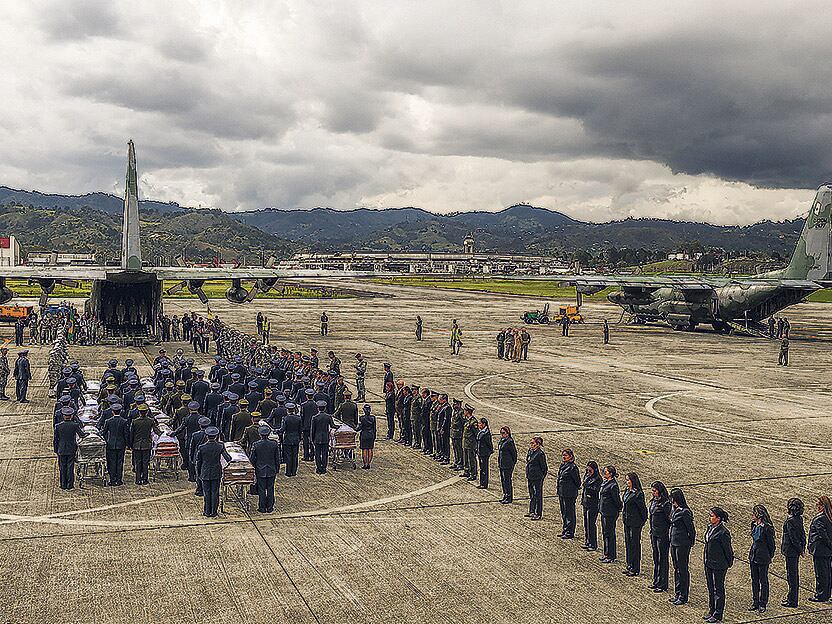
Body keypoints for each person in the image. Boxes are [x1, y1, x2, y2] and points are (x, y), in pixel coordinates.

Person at [703, 507, 734, 623]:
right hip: (709, 562)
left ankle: (718, 613)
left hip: (719, 564)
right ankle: (711, 610)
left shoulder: (723, 532)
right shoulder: (710, 527)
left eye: (712, 516)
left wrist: (728, 562)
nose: (710, 517)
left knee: (718, 589)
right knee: (711, 588)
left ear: (718, 518)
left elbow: (728, 550)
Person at [195, 426, 231, 517]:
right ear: (216, 436)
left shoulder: (201, 447)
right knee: (215, 492)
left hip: (205, 472)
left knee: (207, 493)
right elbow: (228, 458)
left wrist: (199, 473)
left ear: (207, 436)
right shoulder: (220, 446)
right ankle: (214, 511)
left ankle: (207, 511)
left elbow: (198, 462)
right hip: (216, 472)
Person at [669, 487, 696, 606]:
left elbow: (691, 529)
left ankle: (683, 595)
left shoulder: (685, 511)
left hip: (682, 543)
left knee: (682, 569)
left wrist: (690, 542)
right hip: (674, 542)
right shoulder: (675, 509)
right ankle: (678, 592)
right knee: (676, 568)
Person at [748, 504, 777, 613]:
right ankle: (755, 601)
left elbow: (771, 545)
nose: (752, 515)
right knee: (754, 580)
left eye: (754, 513)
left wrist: (769, 555)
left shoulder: (767, 528)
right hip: (754, 555)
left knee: (763, 580)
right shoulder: (754, 525)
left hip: (763, 556)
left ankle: (763, 602)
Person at [781, 497, 806, 608]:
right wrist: (802, 548)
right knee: (793, 575)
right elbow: (802, 534)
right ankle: (792, 598)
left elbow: (793, 538)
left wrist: (800, 550)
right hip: (795, 551)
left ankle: (792, 600)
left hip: (791, 551)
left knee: (792, 576)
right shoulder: (799, 519)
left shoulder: (790, 521)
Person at [249, 425, 281, 513]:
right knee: (270, 489)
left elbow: (252, 459)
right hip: (271, 469)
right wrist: (277, 469)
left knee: (261, 489)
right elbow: (277, 459)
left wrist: (254, 467)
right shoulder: (274, 444)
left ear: (260, 434)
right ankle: (270, 507)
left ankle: (262, 507)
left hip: (260, 470)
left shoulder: (256, 445)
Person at [622, 472, 649, 576]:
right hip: (627, 520)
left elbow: (642, 509)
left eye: (628, 480)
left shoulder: (638, 493)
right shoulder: (627, 491)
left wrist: (642, 521)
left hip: (635, 522)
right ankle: (629, 565)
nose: (627, 482)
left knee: (635, 544)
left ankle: (635, 567)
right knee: (628, 543)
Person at [53, 408, 87, 489]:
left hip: (61, 448)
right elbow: (82, 435)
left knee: (62, 467)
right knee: (70, 466)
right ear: (71, 416)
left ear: (63, 416)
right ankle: (70, 484)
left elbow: (55, 439)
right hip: (71, 448)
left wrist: (56, 449)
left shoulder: (58, 426)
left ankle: (63, 484)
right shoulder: (74, 425)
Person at [648, 481, 672, 593]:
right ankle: (656, 580)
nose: (653, 493)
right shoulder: (654, 501)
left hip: (662, 534)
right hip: (654, 533)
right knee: (656, 558)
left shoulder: (666, 504)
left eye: (655, 491)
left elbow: (670, 520)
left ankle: (663, 583)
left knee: (662, 558)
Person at [129, 404, 161, 485]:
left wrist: (130, 444)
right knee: (145, 462)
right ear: (147, 412)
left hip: (136, 444)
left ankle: (138, 479)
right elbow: (156, 431)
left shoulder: (135, 422)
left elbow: (131, 434)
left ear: (139, 412)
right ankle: (145, 479)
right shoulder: (150, 421)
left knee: (138, 462)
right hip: (147, 444)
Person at [808, 495, 832, 603]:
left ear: (822, 506)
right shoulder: (829, 517)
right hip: (827, 551)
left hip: (820, 550)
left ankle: (821, 595)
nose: (816, 506)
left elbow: (823, 536)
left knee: (821, 573)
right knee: (827, 572)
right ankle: (826, 593)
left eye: (818, 504)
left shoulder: (819, 519)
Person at [101, 403, 129, 486]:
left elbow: (104, 432)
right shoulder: (124, 421)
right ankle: (119, 479)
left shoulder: (108, 421)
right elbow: (126, 434)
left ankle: (112, 479)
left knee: (112, 462)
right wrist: (127, 444)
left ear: (112, 412)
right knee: (120, 462)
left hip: (111, 444)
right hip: (121, 444)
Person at [599, 465, 622, 563]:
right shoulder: (606, 482)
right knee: (605, 533)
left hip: (610, 512)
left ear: (611, 474)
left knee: (610, 534)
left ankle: (611, 555)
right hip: (604, 511)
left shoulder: (613, 485)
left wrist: (618, 509)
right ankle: (606, 553)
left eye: (606, 472)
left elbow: (616, 500)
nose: (604, 473)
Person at [557, 448, 581, 539]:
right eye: (563, 455)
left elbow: (577, 481)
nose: (564, 457)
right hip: (562, 492)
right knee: (564, 512)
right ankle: (565, 529)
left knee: (569, 513)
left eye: (566, 455)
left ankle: (570, 531)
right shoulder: (563, 465)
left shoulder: (572, 467)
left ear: (571, 457)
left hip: (569, 493)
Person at [525, 436, 547, 520]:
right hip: (530, 476)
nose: (531, 444)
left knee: (538, 495)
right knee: (532, 494)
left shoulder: (540, 454)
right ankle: (532, 510)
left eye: (533, 443)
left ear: (538, 444)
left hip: (537, 477)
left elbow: (544, 467)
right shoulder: (530, 451)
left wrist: (541, 476)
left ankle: (538, 513)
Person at [581, 461, 602, 551]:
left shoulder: (598, 479)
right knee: (586, 523)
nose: (588, 472)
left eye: (590, 470)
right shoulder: (587, 476)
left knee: (591, 523)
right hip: (586, 502)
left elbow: (596, 490)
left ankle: (593, 543)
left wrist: (587, 485)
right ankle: (588, 540)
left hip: (593, 504)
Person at [278, 403, 301, 477]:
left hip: (287, 439)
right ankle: (294, 471)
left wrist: (276, 431)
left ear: (287, 410)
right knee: (295, 455)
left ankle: (288, 472)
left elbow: (282, 429)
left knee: (288, 456)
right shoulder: (298, 418)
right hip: (296, 439)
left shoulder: (285, 419)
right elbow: (300, 430)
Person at [311, 400, 334, 474]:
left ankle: (318, 468)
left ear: (318, 408)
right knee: (325, 454)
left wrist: (312, 439)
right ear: (325, 408)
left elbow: (313, 430)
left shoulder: (315, 417)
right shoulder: (328, 417)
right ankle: (324, 468)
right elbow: (333, 425)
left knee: (317, 454)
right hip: (325, 438)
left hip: (317, 438)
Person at [497, 426, 516, 504]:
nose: (502, 435)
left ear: (508, 433)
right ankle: (505, 495)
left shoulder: (509, 442)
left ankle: (509, 496)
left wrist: (512, 463)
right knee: (503, 480)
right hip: (502, 463)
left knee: (507, 480)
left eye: (504, 433)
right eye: (501, 433)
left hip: (507, 464)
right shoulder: (502, 441)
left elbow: (514, 454)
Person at [356, 404, 376, 469]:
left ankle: (365, 464)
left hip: (364, 434)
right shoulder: (373, 418)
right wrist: (374, 436)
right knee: (370, 449)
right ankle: (369, 463)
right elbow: (374, 428)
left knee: (364, 449)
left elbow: (359, 428)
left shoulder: (362, 418)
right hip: (371, 434)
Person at [475, 417, 493, 489]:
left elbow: (489, 443)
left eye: (480, 423)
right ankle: (482, 482)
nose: (479, 425)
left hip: (484, 453)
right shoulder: (481, 431)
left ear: (484, 424)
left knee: (484, 469)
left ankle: (484, 483)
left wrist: (490, 451)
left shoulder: (486, 433)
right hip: (480, 452)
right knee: (482, 468)